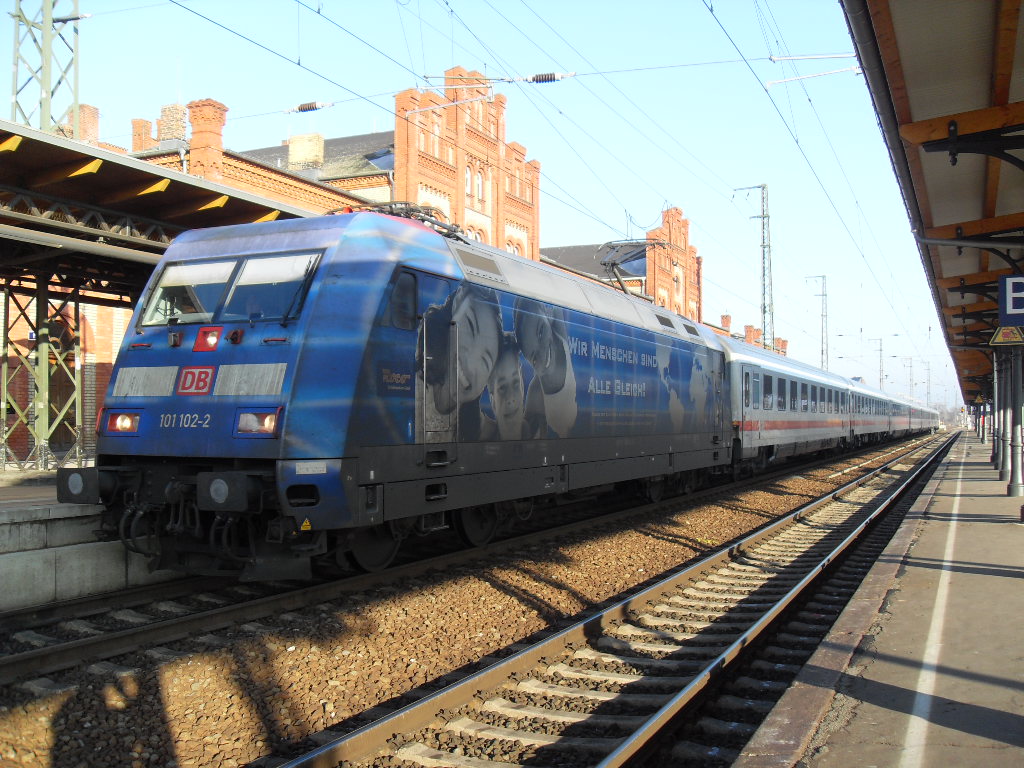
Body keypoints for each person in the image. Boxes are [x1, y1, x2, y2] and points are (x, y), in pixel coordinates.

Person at [418, 283, 502, 434]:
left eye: (485, 362)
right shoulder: (414, 378)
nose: (471, 364)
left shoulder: (482, 429)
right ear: (456, 305)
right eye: (470, 326)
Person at [513, 297, 577, 438]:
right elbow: (528, 433)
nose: (542, 354)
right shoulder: (536, 391)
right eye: (534, 358)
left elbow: (555, 303)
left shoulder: (560, 337)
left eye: (541, 332)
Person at [483, 332, 528, 440]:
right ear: (492, 399)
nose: (510, 398)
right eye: (502, 387)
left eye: (516, 383)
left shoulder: (539, 430)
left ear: (522, 386)